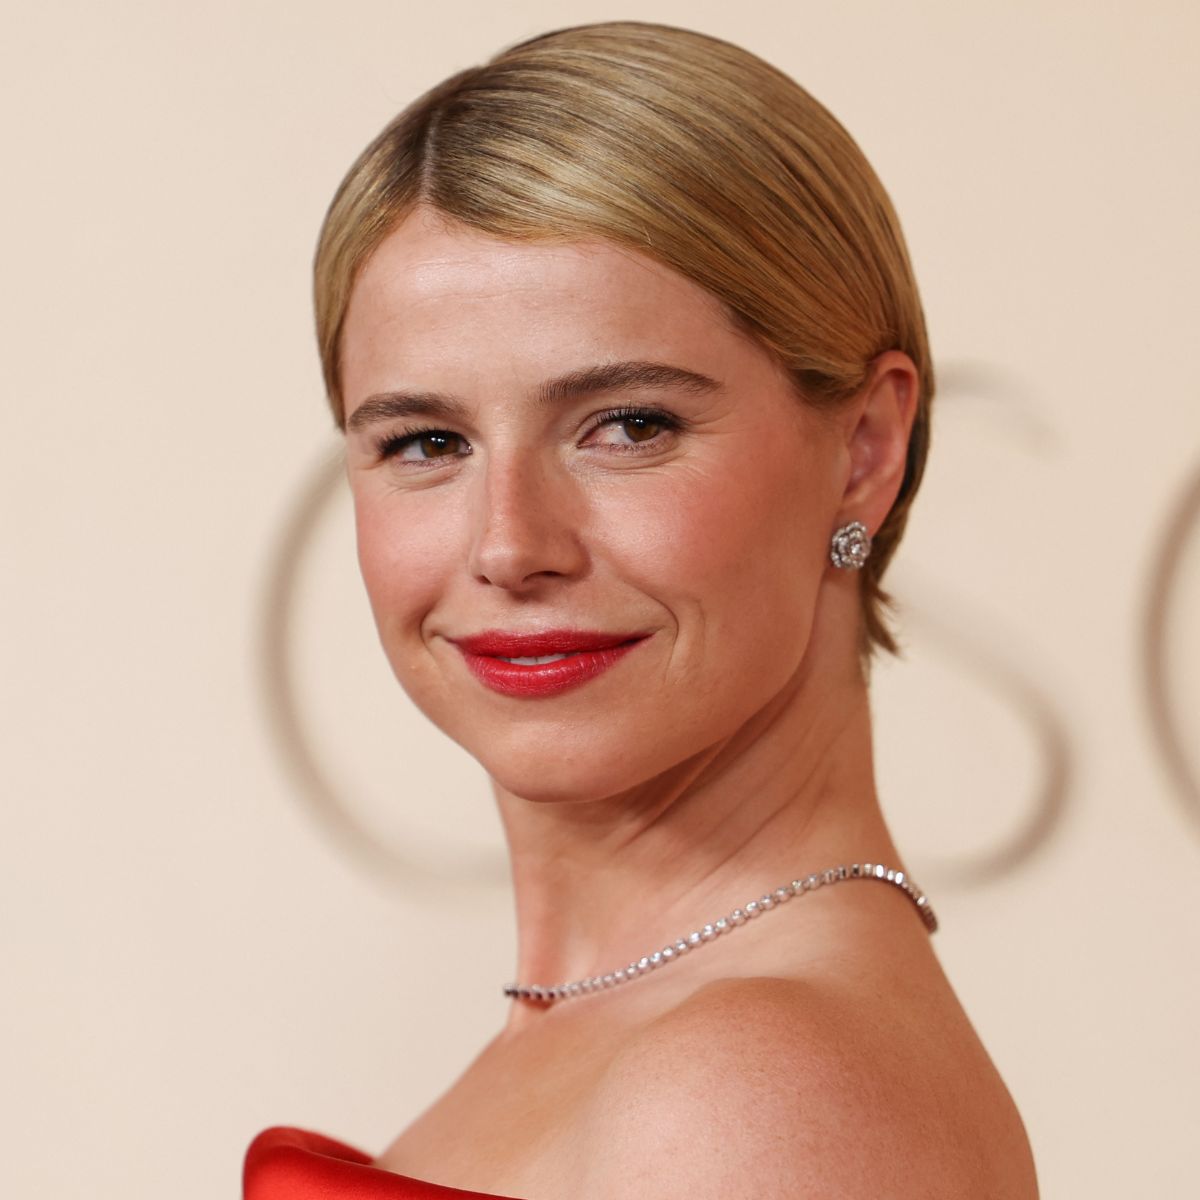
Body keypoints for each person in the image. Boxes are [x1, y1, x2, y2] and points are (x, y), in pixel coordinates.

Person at [245, 20, 1039, 1199]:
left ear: (866, 449)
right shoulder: (666, 1039)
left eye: (628, 426)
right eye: (427, 442)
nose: (510, 545)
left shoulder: (750, 1091)